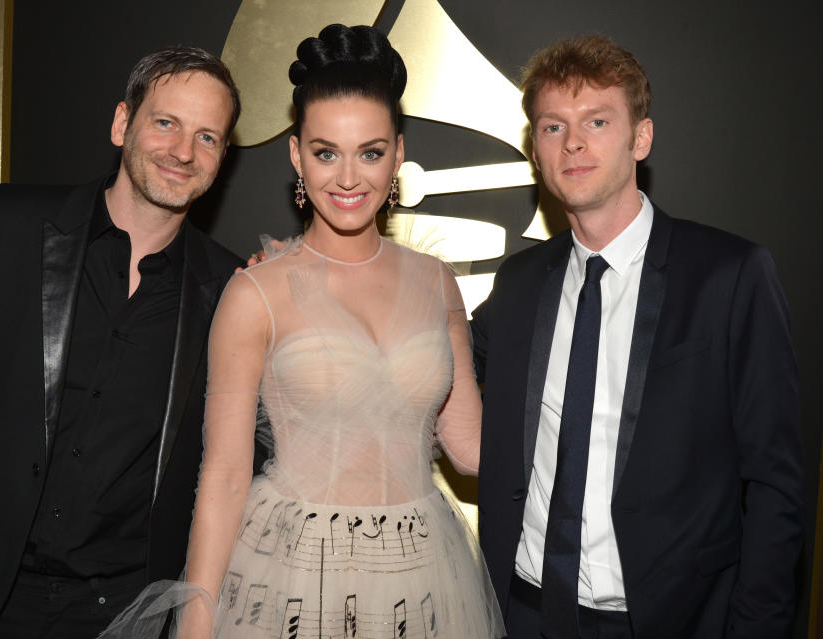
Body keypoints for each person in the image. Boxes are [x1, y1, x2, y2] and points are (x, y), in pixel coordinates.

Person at [100, 24, 504, 639]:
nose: (348, 178)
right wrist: (196, 623)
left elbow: (473, 449)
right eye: (325, 152)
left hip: (422, 574)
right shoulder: (256, 291)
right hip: (291, 575)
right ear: (296, 155)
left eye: (369, 152)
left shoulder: (437, 283)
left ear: (397, 155)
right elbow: (226, 473)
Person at [0, 46, 244, 639]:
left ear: (222, 158)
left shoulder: (233, 290)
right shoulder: (11, 223)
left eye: (207, 138)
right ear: (121, 123)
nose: (183, 152)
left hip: (128, 611)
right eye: (166, 123)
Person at [472, 34, 803, 638]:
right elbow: (425, 360)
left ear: (640, 137)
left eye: (597, 120)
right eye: (553, 127)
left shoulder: (729, 275)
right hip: (522, 611)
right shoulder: (519, 283)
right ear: (536, 149)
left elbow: (777, 482)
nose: (573, 142)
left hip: (669, 620)